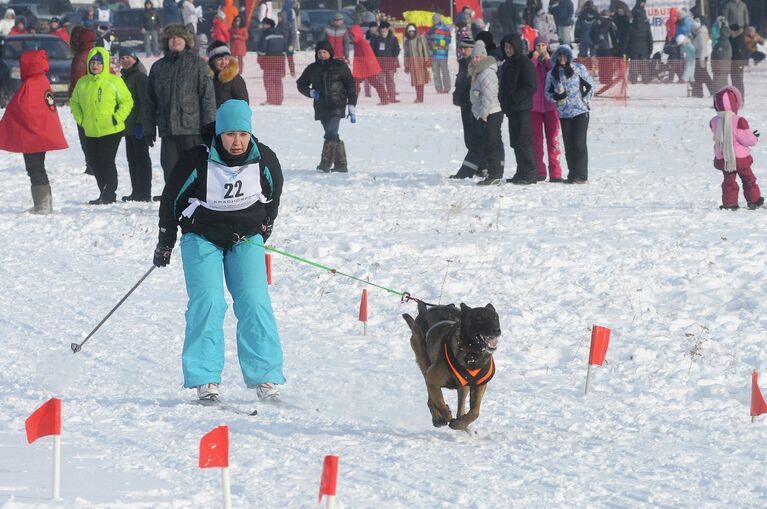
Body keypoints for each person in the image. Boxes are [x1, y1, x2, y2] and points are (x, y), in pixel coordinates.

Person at [153, 99, 285, 402]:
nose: (236, 142)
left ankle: (265, 377)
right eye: (229, 134)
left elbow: (273, 195)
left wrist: (267, 225)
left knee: (255, 302)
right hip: (203, 238)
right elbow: (171, 202)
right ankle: (205, 379)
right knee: (209, 302)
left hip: (245, 238)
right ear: (219, 134)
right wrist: (165, 241)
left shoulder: (264, 158)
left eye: (242, 134)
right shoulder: (197, 161)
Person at [145, 25, 216, 199]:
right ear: (166, 42)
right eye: (171, 38)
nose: (175, 40)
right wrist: (148, 129)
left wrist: (210, 127)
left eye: (179, 37)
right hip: (168, 129)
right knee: (170, 168)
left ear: (186, 41)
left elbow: (207, 98)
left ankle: (196, 198)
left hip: (193, 129)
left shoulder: (198, 64)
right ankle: (173, 199)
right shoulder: (158, 67)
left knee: (195, 166)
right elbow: (149, 101)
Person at [0, 50, 68, 214]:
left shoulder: (30, 84)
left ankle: (43, 206)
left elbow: (22, 108)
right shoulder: (42, 80)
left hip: (32, 136)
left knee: (34, 168)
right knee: (39, 167)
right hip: (41, 134)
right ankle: (45, 204)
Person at [71, 47, 134, 204]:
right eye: (92, 62)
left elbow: (127, 101)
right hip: (90, 130)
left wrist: (116, 118)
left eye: (99, 62)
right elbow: (74, 103)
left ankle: (109, 194)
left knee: (107, 161)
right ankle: (103, 191)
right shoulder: (82, 82)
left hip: (111, 129)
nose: (95, 65)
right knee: (93, 161)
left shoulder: (114, 81)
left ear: (105, 64)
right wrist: (82, 120)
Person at [296, 40, 357, 173]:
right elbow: (301, 84)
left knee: (330, 133)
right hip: (321, 107)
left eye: (324, 52)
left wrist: (352, 104)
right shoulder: (312, 68)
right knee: (332, 135)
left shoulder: (340, 66)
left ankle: (325, 165)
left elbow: (351, 85)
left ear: (330, 53)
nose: (322, 55)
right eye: (319, 52)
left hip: (337, 105)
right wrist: (310, 92)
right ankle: (341, 165)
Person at [544, 45, 593, 184]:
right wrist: (557, 97)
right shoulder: (552, 73)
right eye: (559, 56)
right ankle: (572, 174)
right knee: (569, 144)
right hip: (564, 114)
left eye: (565, 56)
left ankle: (581, 175)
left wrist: (585, 99)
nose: (562, 59)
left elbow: (590, 86)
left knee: (579, 143)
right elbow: (547, 93)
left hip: (580, 111)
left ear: (569, 57)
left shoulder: (579, 69)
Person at [710, 86, 762, 210]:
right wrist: (754, 137)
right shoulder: (739, 121)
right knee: (748, 179)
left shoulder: (713, 121)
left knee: (729, 181)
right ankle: (754, 200)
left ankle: (730, 204)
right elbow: (748, 140)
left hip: (724, 158)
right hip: (740, 158)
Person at [498, 34, 537, 185]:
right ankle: (521, 172)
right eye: (506, 47)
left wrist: (515, 98)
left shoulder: (525, 63)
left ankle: (529, 173)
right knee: (516, 141)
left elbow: (531, 86)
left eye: (510, 47)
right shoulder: (507, 64)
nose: (508, 50)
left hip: (522, 109)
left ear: (516, 47)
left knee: (524, 140)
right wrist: (504, 102)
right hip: (511, 110)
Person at [119, 47, 152, 202]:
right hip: (127, 128)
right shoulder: (123, 78)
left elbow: (145, 102)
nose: (126, 60)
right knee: (132, 159)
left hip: (138, 126)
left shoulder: (139, 77)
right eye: (123, 58)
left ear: (135, 59)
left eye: (128, 57)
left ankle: (144, 192)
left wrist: (141, 122)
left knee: (141, 159)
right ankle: (136, 191)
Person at [469, 40, 504, 186]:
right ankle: (491, 171)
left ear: (483, 56)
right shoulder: (478, 71)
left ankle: (495, 174)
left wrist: (483, 114)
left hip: (491, 112)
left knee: (492, 143)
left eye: (478, 57)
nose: (475, 59)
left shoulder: (487, 72)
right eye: (473, 57)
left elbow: (489, 95)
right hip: (485, 112)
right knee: (489, 142)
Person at [530, 36, 562, 182]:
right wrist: (535, 59)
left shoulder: (552, 61)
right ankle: (540, 171)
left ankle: (555, 172)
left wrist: (548, 60)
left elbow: (557, 74)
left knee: (553, 140)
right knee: (536, 141)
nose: (541, 48)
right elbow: (529, 73)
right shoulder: (531, 61)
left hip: (551, 106)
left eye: (543, 45)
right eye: (538, 45)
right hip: (535, 107)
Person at [451, 37, 484, 179]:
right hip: (464, 105)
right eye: (461, 48)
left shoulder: (474, 63)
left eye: (466, 48)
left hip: (472, 106)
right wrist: (456, 97)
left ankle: (479, 167)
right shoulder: (463, 63)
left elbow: (470, 85)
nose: (463, 51)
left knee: (474, 138)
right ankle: (478, 167)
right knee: (468, 138)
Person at [69, 27, 97, 175]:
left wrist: (73, 100)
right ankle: (94, 163)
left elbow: (76, 81)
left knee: (85, 134)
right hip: (96, 101)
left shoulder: (81, 57)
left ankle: (91, 164)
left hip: (83, 102)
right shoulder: (96, 54)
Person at [347, 24, 387, 105]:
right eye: (351, 36)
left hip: (367, 68)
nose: (351, 38)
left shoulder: (362, 43)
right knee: (356, 84)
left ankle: (384, 99)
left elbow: (369, 56)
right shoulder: (358, 43)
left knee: (373, 83)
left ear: (357, 35)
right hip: (362, 68)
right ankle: (353, 100)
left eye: (353, 36)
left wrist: (369, 68)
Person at [208, 40, 249, 108]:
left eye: (226, 59)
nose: (223, 62)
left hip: (228, 118)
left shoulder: (235, 79)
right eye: (219, 59)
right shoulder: (205, 78)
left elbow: (243, 105)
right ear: (212, 61)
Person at [369, 20, 400, 104]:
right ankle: (383, 98)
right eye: (382, 28)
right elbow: (371, 50)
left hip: (390, 62)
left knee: (390, 80)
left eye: (385, 28)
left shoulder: (393, 38)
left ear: (388, 29)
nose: (383, 30)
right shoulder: (376, 38)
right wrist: (374, 59)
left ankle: (392, 97)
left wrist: (394, 58)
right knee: (380, 81)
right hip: (379, 63)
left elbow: (397, 49)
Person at [257, 17, 286, 105]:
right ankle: (278, 100)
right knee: (278, 81)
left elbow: (262, 50)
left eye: (264, 24)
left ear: (268, 25)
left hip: (269, 60)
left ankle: (271, 100)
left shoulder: (266, 35)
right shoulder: (281, 34)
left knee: (269, 81)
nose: (262, 26)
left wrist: (260, 59)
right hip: (280, 60)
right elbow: (284, 48)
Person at [403, 23, 430, 104]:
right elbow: (406, 54)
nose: (411, 32)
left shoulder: (420, 38)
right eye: (409, 31)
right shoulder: (407, 42)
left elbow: (424, 49)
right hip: (412, 62)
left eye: (412, 31)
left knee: (420, 80)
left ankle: (420, 98)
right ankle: (418, 97)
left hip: (420, 62)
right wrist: (406, 65)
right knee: (415, 80)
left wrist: (426, 60)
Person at [626, 8, 653, 83]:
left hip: (633, 49)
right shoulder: (646, 26)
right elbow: (650, 38)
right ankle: (646, 80)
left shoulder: (630, 26)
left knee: (634, 65)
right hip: (644, 49)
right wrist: (650, 50)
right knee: (644, 66)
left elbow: (627, 40)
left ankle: (634, 80)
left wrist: (627, 51)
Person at [428, 14, 452, 94]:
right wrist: (429, 44)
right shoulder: (431, 29)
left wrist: (437, 43)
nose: (435, 21)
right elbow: (428, 40)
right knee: (435, 72)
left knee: (445, 72)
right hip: (434, 55)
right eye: (434, 20)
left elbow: (448, 40)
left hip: (442, 54)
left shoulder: (445, 28)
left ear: (439, 20)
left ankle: (447, 87)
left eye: (436, 20)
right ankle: (438, 89)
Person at [711, 21, 732, 91]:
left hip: (721, 66)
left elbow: (720, 56)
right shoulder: (721, 42)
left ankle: (720, 94)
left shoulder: (723, 43)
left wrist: (716, 64)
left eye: (719, 33)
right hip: (719, 66)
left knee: (720, 81)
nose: (718, 34)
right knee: (721, 81)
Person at [730, 23, 747, 98]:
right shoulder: (734, 37)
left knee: (738, 81)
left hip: (738, 61)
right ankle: (736, 97)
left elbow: (739, 51)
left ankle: (740, 98)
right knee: (735, 80)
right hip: (734, 61)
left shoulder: (738, 38)